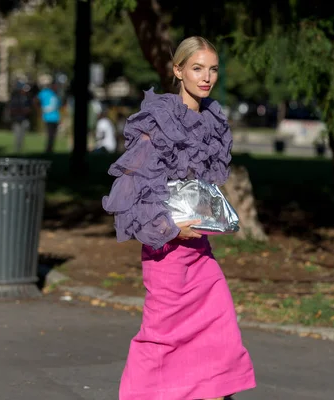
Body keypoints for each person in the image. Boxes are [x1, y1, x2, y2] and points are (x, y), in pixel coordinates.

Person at [102, 36, 256, 400]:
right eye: (197, 68)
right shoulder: (158, 119)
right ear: (178, 71)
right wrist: (169, 227)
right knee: (160, 338)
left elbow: (203, 187)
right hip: (166, 253)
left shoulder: (211, 119)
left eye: (213, 69)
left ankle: (214, 392)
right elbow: (132, 186)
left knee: (221, 329)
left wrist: (209, 219)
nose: (206, 77)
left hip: (200, 250)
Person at [36, 82, 61, 153]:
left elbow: (58, 105)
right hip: (48, 117)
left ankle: (50, 149)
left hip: (55, 117)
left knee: (53, 135)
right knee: (50, 134)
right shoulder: (45, 92)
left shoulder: (56, 94)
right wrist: (40, 109)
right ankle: (48, 149)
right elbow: (36, 100)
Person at [9, 82, 32, 152]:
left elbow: (29, 108)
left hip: (24, 119)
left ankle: (20, 149)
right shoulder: (15, 98)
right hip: (17, 119)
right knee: (17, 135)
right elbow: (12, 109)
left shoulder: (27, 98)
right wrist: (22, 111)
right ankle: (17, 149)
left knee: (22, 135)